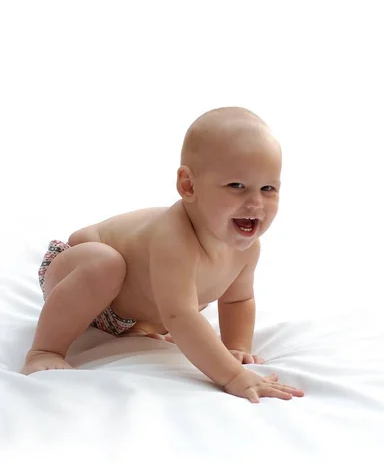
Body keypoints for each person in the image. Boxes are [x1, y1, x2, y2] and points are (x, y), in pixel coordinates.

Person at [21, 106, 304, 404]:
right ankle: (45, 350)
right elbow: (179, 317)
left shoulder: (246, 249)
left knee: (183, 296)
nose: (255, 202)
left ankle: (137, 327)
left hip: (130, 317)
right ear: (188, 185)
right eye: (237, 186)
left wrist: (236, 347)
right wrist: (233, 375)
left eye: (268, 188)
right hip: (75, 275)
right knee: (105, 265)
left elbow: (238, 300)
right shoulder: (174, 238)